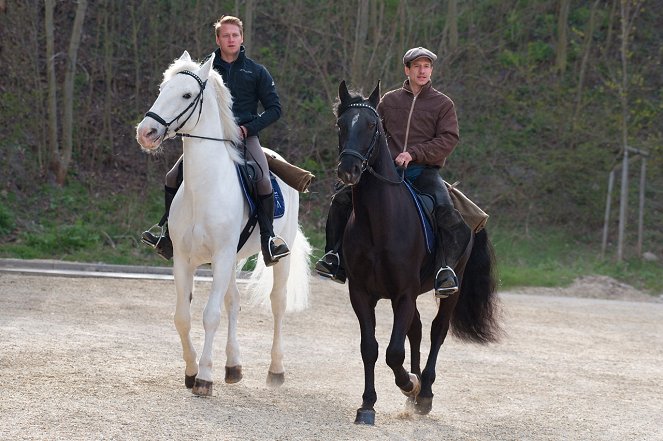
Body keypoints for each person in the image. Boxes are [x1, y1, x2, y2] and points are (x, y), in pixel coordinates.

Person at [315, 47, 471, 298]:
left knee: (445, 209)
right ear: (407, 70)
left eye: (427, 66)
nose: (422, 71)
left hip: (424, 171)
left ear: (431, 70)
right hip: (386, 171)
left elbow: (448, 139)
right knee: (341, 199)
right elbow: (371, 133)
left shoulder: (443, 104)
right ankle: (334, 256)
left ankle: (444, 269)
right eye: (417, 66)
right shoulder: (389, 100)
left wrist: (414, 153)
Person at [141, 15, 289, 266]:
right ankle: (166, 233)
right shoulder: (204, 72)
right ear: (218, 39)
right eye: (225, 35)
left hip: (244, 138)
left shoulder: (256, 71)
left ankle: (268, 240)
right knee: (171, 177)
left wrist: (248, 127)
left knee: (262, 179)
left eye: (235, 35)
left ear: (241, 38)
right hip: (208, 140)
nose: (230, 39)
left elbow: (275, 109)